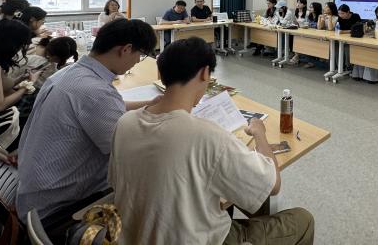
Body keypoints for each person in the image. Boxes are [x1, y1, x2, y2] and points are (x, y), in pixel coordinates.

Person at [109, 37, 314, 245]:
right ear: (205, 73)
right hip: (197, 239)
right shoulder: (207, 136)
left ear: (160, 74)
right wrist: (260, 133)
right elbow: (273, 185)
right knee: (303, 219)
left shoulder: (125, 122)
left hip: (131, 235)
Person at [16, 19, 160, 232]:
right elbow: (129, 154)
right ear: (126, 49)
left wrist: (150, 105)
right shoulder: (95, 92)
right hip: (60, 212)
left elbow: (107, 106)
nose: (137, 61)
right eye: (140, 55)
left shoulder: (70, 73)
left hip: (36, 195)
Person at [289, 0, 308, 64]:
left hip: (304, 30)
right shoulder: (296, 12)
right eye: (297, 2)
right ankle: (294, 53)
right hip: (298, 30)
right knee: (291, 36)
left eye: (300, 3)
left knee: (297, 38)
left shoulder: (307, 13)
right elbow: (294, 22)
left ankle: (297, 55)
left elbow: (307, 23)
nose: (298, 4)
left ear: (304, 5)